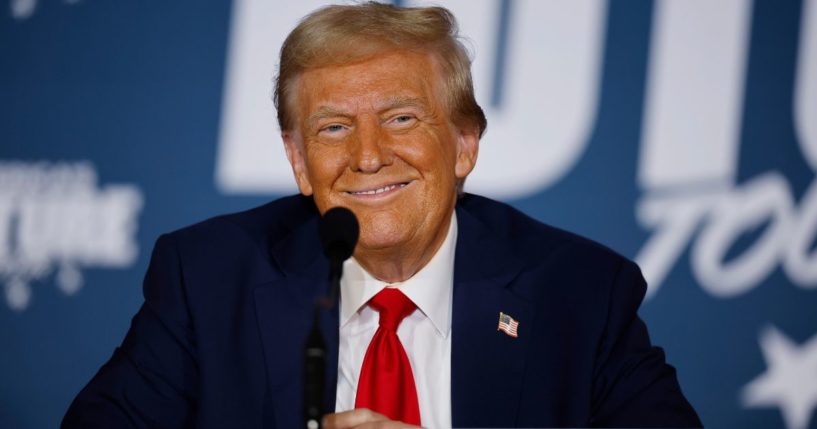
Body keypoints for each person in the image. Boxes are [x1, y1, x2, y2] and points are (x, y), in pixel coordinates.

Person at [63, 2, 702, 428]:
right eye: (334, 127)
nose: (367, 157)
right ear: (297, 160)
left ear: (464, 143)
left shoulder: (581, 292)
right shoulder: (208, 278)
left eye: (400, 118)